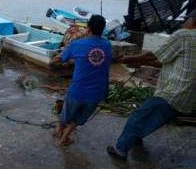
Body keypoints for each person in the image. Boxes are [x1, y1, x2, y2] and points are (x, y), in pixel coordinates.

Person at [107, 9, 196, 161]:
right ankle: (135, 138)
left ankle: (121, 150)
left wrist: (130, 58)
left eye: (186, 19)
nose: (184, 22)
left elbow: (155, 55)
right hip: (186, 97)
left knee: (138, 116)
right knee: (151, 116)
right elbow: (164, 61)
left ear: (193, 20)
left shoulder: (184, 35)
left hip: (172, 92)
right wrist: (139, 61)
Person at [50, 15, 112, 146]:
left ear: (88, 29)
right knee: (79, 119)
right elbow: (102, 67)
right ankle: (64, 138)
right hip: (97, 92)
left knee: (66, 115)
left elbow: (58, 59)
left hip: (77, 91)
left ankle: (59, 131)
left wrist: (53, 60)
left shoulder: (77, 44)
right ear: (103, 30)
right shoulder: (107, 45)